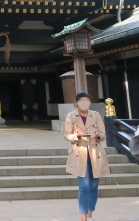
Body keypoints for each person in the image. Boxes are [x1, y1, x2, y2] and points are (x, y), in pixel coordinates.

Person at [64, 91, 110, 221]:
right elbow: (66, 135)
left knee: (94, 186)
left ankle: (90, 213)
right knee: (84, 186)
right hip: (80, 154)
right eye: (82, 101)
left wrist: (98, 135)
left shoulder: (95, 115)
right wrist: (77, 135)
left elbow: (103, 134)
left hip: (96, 155)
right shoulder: (71, 116)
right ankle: (83, 215)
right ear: (76, 102)